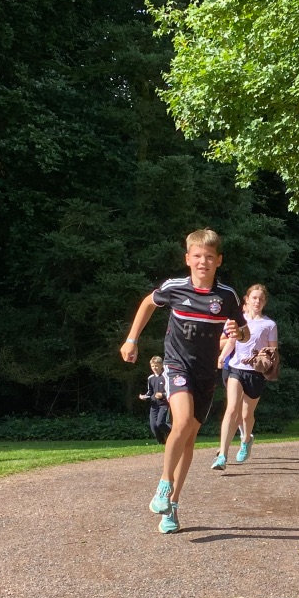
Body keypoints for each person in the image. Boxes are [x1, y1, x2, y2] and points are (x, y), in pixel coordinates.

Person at [120, 228, 248, 533]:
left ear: (219, 260)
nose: (203, 262)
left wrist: (238, 333)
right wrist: (132, 339)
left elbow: (243, 332)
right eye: (197, 256)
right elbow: (148, 303)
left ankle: (173, 506)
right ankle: (164, 484)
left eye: (209, 257)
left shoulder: (227, 296)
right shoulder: (174, 288)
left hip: (205, 373)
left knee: (190, 436)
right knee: (181, 421)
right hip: (177, 366)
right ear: (187, 258)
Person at [213, 284, 277, 470]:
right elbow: (232, 341)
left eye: (261, 299)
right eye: (254, 298)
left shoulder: (269, 324)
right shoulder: (238, 320)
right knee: (231, 408)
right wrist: (222, 356)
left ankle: (246, 439)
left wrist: (265, 357)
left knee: (246, 414)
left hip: (255, 372)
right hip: (236, 368)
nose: (257, 301)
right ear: (247, 299)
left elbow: (273, 350)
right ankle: (222, 455)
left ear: (265, 302)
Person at [139, 356, 172, 445]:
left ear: (161, 365)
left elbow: (171, 391)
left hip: (164, 404)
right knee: (153, 425)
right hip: (154, 405)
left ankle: (174, 434)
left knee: (160, 423)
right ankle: (162, 442)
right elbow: (150, 392)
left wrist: (163, 395)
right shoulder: (150, 378)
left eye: (156, 366)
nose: (154, 368)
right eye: (153, 366)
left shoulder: (166, 377)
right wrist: (144, 396)